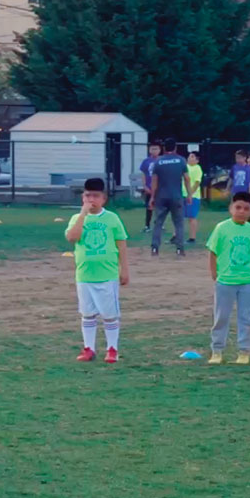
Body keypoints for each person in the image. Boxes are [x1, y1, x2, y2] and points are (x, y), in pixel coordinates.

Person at [65, 178, 129, 364]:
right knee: (87, 313)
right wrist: (83, 214)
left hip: (107, 275)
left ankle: (112, 349)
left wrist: (124, 269)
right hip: (85, 276)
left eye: (95, 195)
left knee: (109, 315)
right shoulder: (77, 218)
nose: (91, 199)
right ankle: (89, 348)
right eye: (87, 195)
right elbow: (72, 237)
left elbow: (121, 243)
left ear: (104, 198)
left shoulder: (111, 218)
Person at [206, 191, 250, 364]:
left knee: (246, 318)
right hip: (226, 280)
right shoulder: (221, 228)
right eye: (238, 207)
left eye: (246, 208)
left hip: (247, 281)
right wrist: (214, 273)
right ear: (231, 208)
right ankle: (217, 350)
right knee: (221, 317)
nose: (241, 211)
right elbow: (213, 252)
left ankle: (244, 351)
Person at [149, 139, 187, 257]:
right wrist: (189, 194)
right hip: (176, 196)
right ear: (175, 148)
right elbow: (187, 178)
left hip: (161, 196)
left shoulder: (158, 162)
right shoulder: (181, 160)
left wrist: (152, 197)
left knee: (158, 223)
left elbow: (154, 181)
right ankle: (180, 249)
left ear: (164, 148)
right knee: (179, 223)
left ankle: (155, 248)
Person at [139, 142, 162, 233]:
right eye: (152, 149)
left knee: (160, 207)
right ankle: (147, 225)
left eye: (156, 149)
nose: (154, 151)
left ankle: (159, 224)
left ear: (160, 150)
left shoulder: (162, 160)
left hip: (160, 187)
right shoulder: (146, 161)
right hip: (149, 187)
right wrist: (144, 186)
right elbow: (144, 174)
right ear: (149, 150)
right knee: (149, 206)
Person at [184, 151, 203, 244]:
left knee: (192, 217)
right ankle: (176, 236)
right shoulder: (184, 167)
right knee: (179, 216)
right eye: (189, 156)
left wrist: (190, 194)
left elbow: (197, 183)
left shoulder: (197, 168)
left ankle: (192, 238)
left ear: (197, 160)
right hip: (182, 195)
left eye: (192, 157)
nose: (189, 158)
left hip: (193, 196)